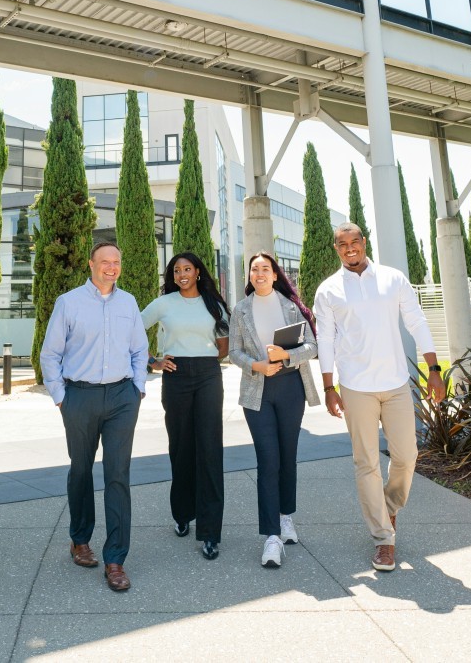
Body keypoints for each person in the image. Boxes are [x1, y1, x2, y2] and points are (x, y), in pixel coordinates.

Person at [312, 222, 445, 573]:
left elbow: (416, 321)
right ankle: (384, 539)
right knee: (366, 463)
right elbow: (324, 339)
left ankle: (389, 505)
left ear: (364, 243)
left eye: (355, 241)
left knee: (407, 455)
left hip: (397, 383)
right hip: (355, 387)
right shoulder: (328, 290)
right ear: (336, 248)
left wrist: (434, 370)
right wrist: (329, 387)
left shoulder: (393, 278)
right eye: (342, 244)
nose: (350, 248)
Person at [41, 241, 149, 592]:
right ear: (91, 264)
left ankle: (116, 559)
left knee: (118, 475)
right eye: (105, 261)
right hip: (80, 397)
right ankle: (79, 538)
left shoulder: (129, 303)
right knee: (81, 470)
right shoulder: (69, 302)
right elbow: (50, 354)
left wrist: (138, 389)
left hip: (121, 397)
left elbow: (139, 349)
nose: (111, 267)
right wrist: (61, 398)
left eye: (116, 261)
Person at [227, 251, 319, 568]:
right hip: (258, 391)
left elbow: (311, 348)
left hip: (291, 387)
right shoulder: (240, 310)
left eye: (265, 268)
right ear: (250, 276)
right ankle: (271, 537)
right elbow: (233, 352)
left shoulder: (291, 306)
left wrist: (284, 355)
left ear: (275, 274)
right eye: (255, 269)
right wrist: (256, 365)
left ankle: (285, 517)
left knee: (287, 456)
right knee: (268, 460)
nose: (260, 273)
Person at [142, 252, 230, 561]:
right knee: (180, 448)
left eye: (187, 269)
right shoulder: (164, 303)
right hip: (175, 375)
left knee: (209, 450)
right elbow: (133, 329)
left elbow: (223, 346)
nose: (182, 274)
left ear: (197, 273)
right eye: (177, 270)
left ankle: (210, 533)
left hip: (207, 374)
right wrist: (152, 361)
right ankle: (182, 513)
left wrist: (202, 361)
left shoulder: (213, 304)